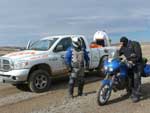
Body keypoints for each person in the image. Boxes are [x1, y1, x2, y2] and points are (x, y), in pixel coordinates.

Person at [119, 36, 143, 102]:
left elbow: (138, 55)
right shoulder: (123, 46)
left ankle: (137, 95)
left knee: (136, 79)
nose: (121, 44)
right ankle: (131, 91)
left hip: (137, 64)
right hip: (129, 64)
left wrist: (132, 60)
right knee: (129, 79)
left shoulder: (134, 44)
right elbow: (119, 53)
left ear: (125, 41)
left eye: (122, 43)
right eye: (121, 43)